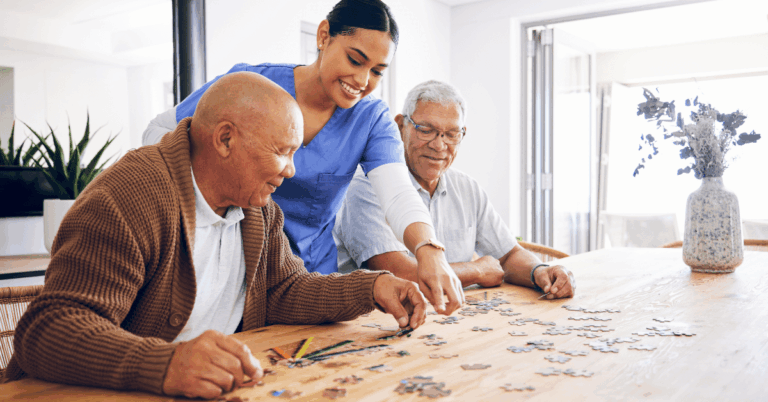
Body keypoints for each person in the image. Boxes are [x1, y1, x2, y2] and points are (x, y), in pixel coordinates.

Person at [3, 72, 429, 400]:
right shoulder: (130, 196)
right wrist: (164, 363)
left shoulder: (258, 210)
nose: (291, 170)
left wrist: (370, 286)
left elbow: (284, 290)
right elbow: (48, 330)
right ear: (225, 139)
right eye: (283, 151)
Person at [142, 0, 462, 314]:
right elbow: (160, 129)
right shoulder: (256, 87)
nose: (363, 81)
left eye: (377, 71)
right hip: (238, 266)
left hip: (310, 277)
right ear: (323, 36)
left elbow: (398, 193)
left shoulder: (371, 119)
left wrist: (428, 250)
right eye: (355, 60)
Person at [334, 80, 576, 298]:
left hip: (454, 323)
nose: (439, 145)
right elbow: (401, 275)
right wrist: (477, 270)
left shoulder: (467, 188)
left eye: (451, 134)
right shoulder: (365, 187)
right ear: (401, 126)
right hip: (379, 329)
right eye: (426, 130)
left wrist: (540, 271)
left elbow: (508, 255)